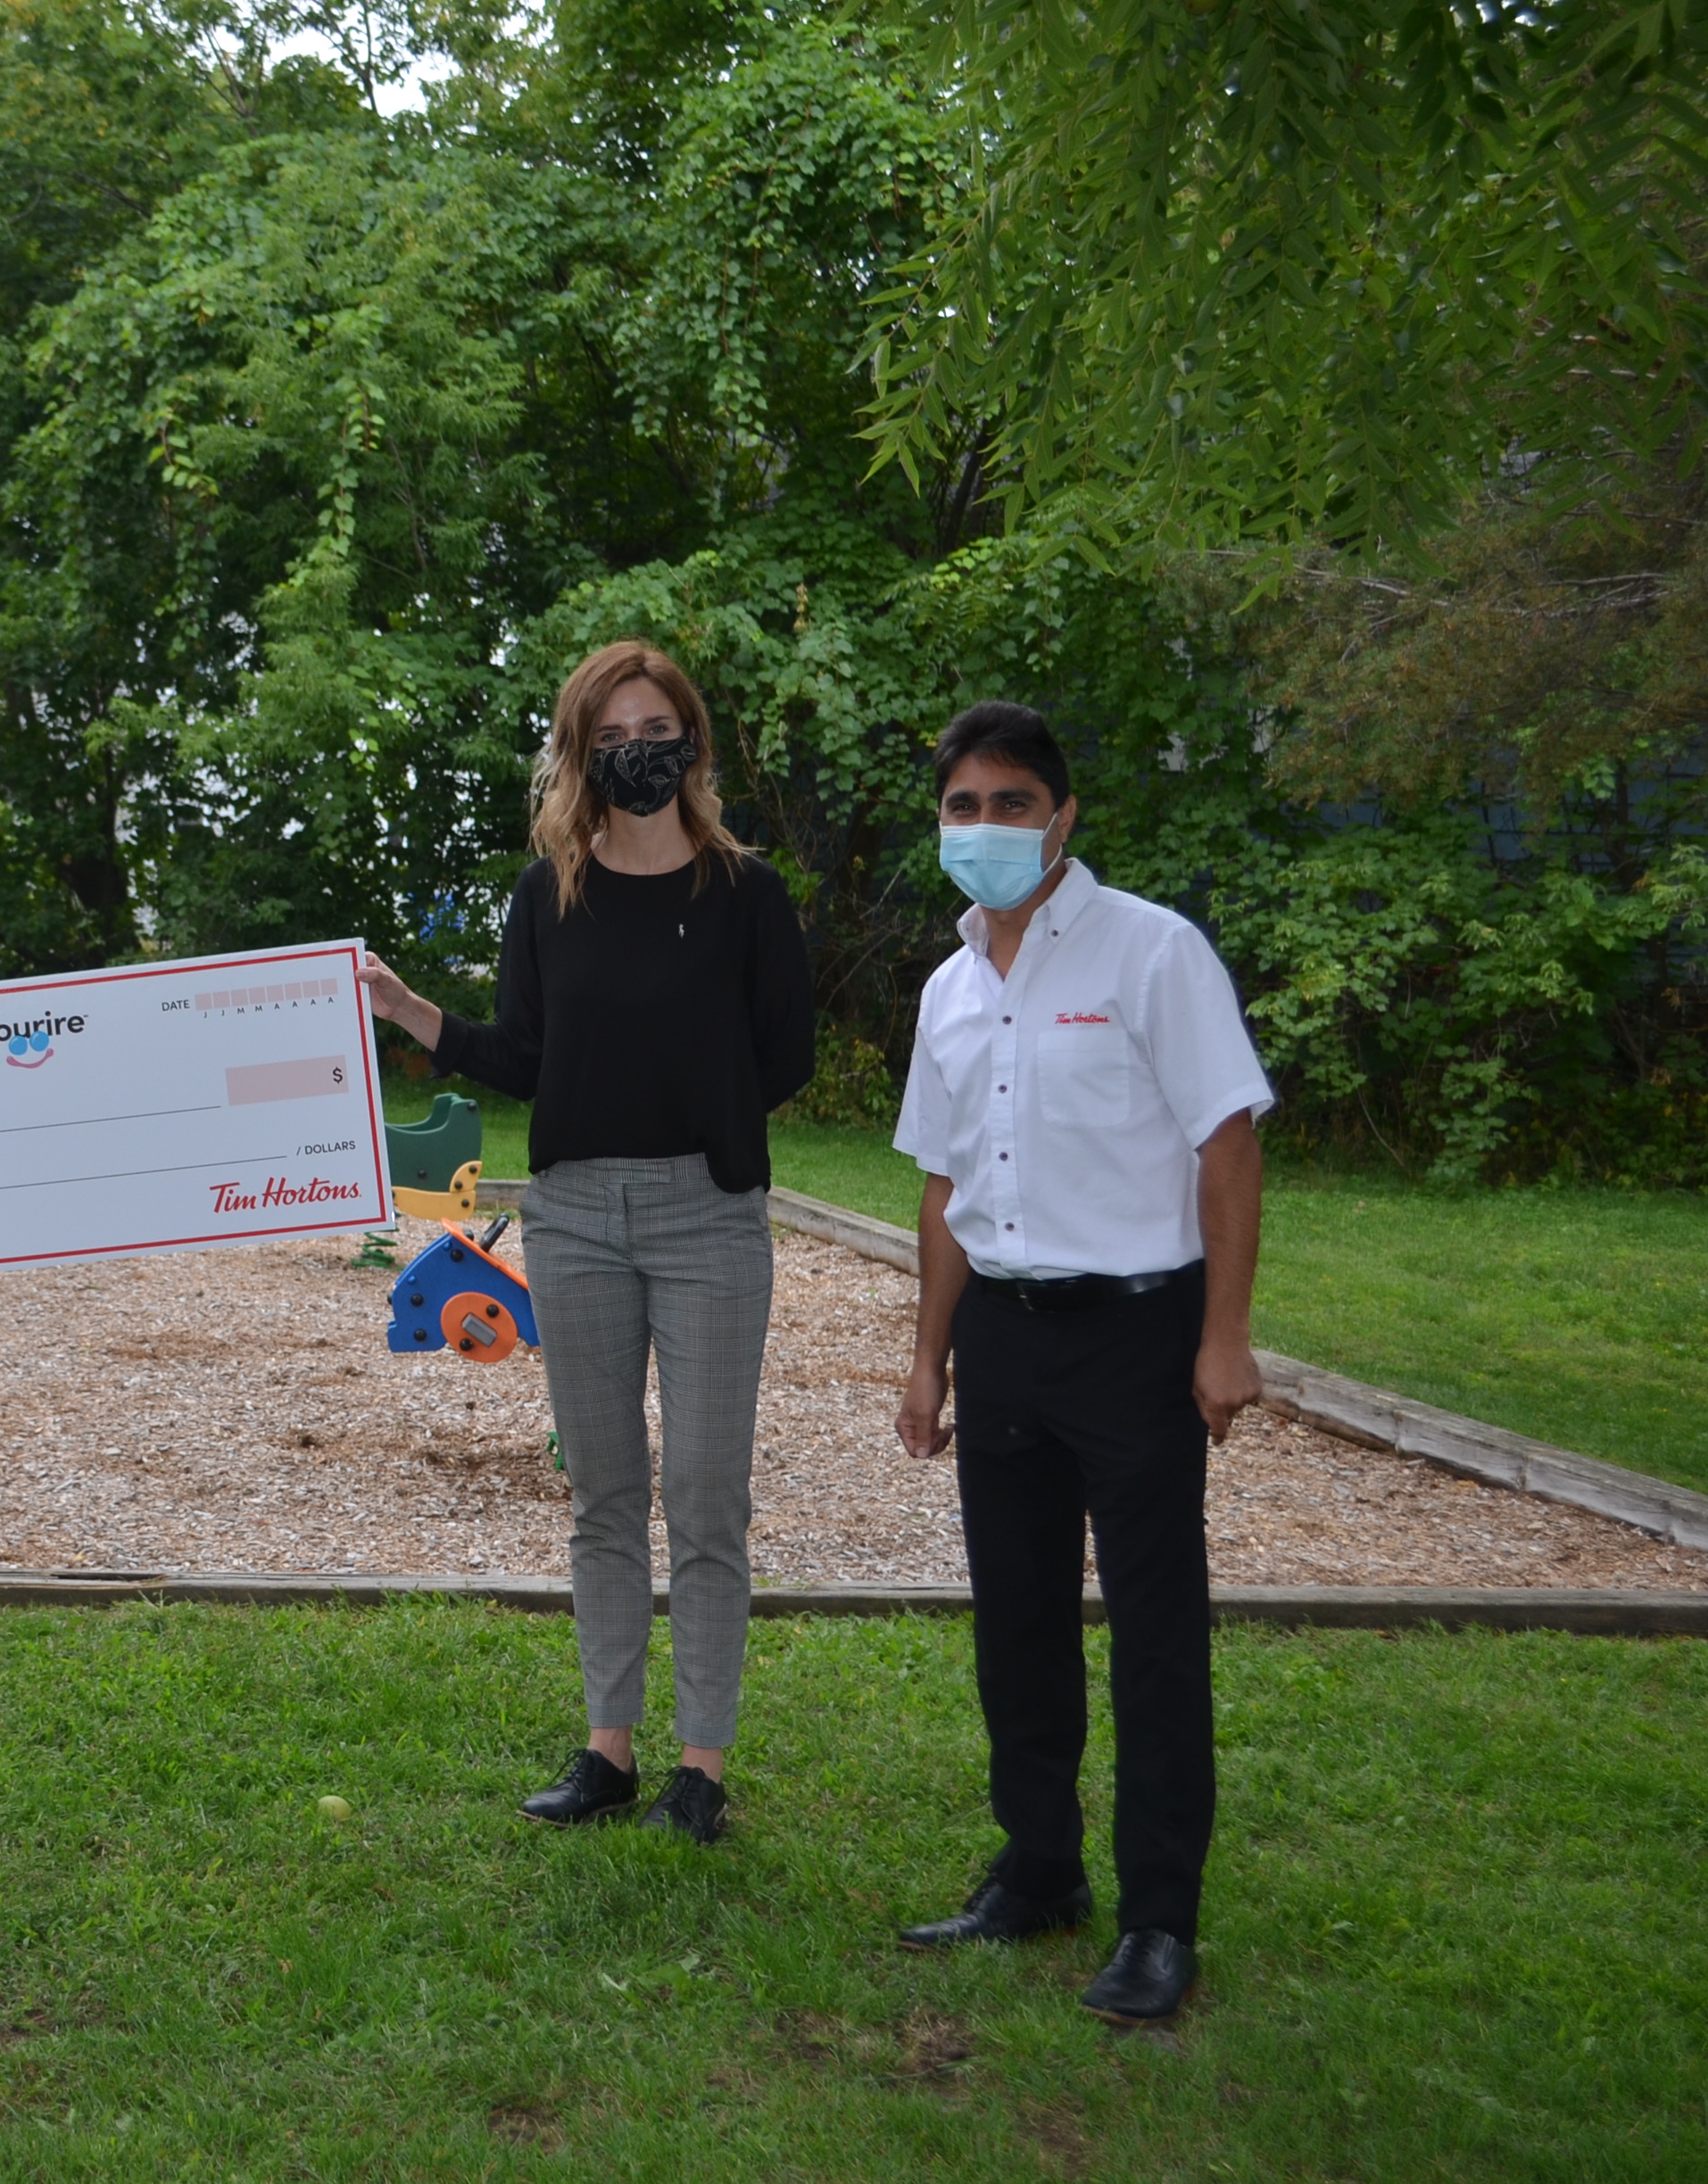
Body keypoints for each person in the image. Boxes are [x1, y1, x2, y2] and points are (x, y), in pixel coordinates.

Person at [361, 641, 813, 1845]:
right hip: (575, 1220)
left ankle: (701, 1767)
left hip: (709, 1219)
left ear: (692, 740)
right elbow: (523, 1055)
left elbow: (787, 1052)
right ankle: (609, 1751)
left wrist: (703, 1113)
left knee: (706, 1494)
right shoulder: (547, 893)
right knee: (604, 1493)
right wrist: (410, 1013)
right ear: (578, 751)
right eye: (610, 736)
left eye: (655, 730)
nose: (636, 752)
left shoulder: (746, 893)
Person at [888, 701, 1273, 2028]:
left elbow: (1228, 1145)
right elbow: (943, 1188)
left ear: (1063, 817)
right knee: (1019, 1620)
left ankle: (1159, 1919)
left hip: (1137, 1336)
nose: (985, 827)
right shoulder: (948, 990)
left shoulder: (1153, 952)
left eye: (1012, 804)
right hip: (1002, 1338)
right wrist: (929, 1361)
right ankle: (1039, 1870)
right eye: (963, 806)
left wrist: (1224, 1336)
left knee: (1156, 1633)